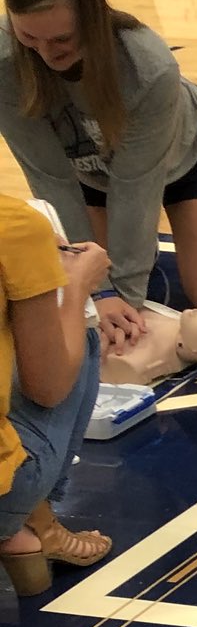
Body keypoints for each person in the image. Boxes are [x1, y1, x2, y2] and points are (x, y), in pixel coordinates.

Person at [0, 0, 197, 359]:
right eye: (29, 38)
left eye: (61, 38)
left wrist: (124, 297)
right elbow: (50, 177)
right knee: (82, 292)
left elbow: (135, 186)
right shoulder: (4, 63)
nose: (45, 52)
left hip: (189, 159)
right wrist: (97, 291)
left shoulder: (147, 65)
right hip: (88, 173)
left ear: (92, 16)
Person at [1, 196, 111, 597]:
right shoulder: (15, 224)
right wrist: (78, 285)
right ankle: (35, 523)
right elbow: (48, 390)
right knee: (78, 329)